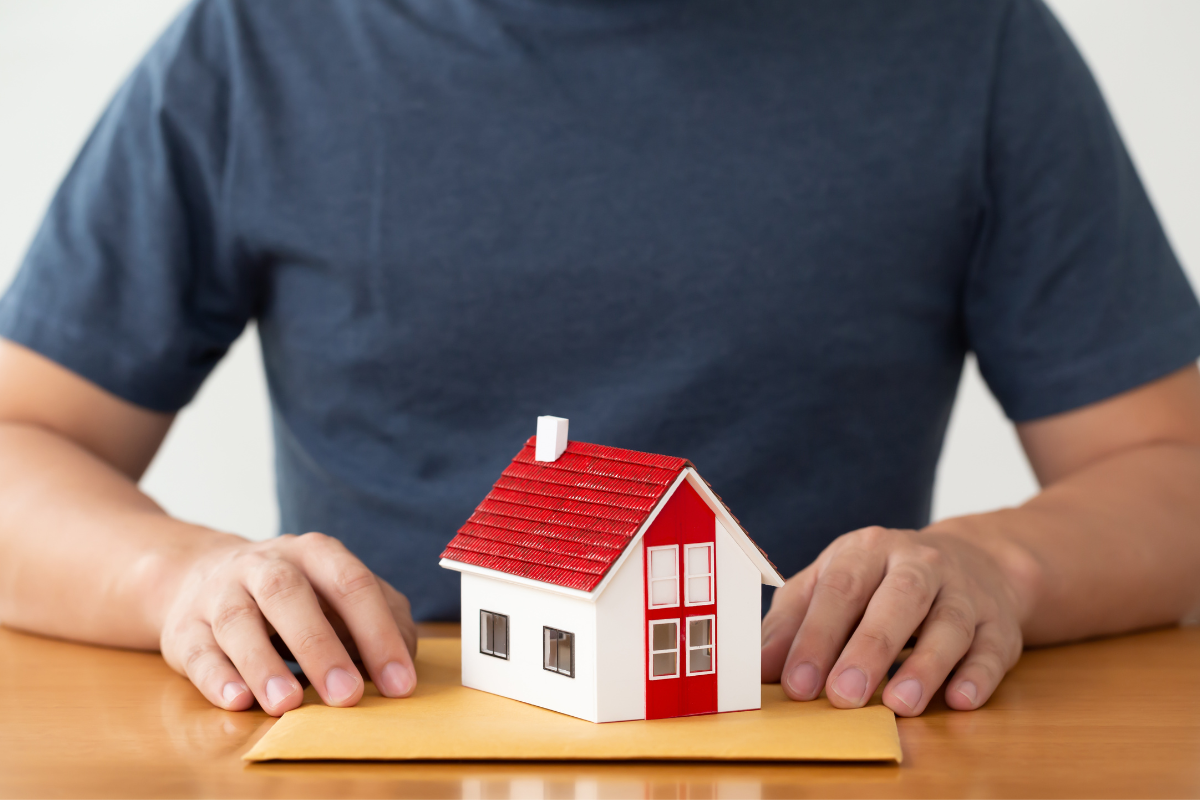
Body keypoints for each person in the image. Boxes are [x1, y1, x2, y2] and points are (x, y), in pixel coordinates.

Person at [2, 0, 1199, 721]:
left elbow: (1171, 466)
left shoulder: (966, 39)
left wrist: (997, 567)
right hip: (383, 742)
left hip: (832, 736)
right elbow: (20, 442)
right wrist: (177, 583)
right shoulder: (257, 48)